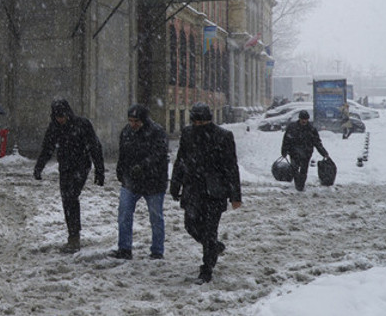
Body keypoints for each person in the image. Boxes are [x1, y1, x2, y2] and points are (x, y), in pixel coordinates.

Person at [170, 102, 242, 284]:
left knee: (210, 231)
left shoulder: (223, 136)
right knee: (190, 225)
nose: (198, 125)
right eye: (196, 122)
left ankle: (206, 268)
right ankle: (214, 247)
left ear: (209, 120)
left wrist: (235, 196)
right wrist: (175, 184)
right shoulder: (187, 134)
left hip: (214, 191)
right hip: (193, 189)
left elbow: (231, 167)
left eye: (202, 122)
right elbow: (181, 160)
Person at [33, 99, 105, 253]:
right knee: (66, 199)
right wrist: (39, 167)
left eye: (63, 116)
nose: (61, 120)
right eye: (58, 117)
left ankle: (74, 237)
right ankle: (72, 234)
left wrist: (100, 170)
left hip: (81, 166)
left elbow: (95, 146)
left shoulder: (82, 125)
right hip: (65, 167)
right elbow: (47, 148)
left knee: (71, 197)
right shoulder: (54, 128)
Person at [109, 104, 169, 261]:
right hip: (131, 182)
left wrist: (143, 166)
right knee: (124, 214)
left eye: (136, 121)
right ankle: (124, 248)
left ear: (143, 120)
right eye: (130, 120)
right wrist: (121, 171)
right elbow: (122, 154)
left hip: (154, 182)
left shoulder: (157, 132)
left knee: (156, 217)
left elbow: (160, 154)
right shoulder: (126, 132)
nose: (133, 124)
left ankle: (157, 251)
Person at [281, 110, 331, 191]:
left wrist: (324, 153)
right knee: (295, 169)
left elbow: (317, 142)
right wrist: (284, 151)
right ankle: (298, 184)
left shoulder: (311, 129)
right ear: (299, 119)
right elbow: (286, 140)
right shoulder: (292, 128)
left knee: (304, 170)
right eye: (302, 119)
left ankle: (301, 186)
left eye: (305, 119)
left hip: (306, 154)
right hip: (294, 153)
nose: (304, 121)